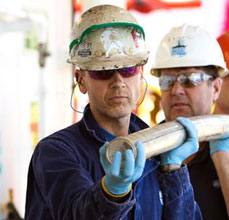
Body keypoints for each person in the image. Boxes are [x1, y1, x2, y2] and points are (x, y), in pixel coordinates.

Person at [25, 5, 202, 219]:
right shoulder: (56, 152)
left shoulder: (155, 151)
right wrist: (111, 193)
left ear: (140, 74)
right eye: (104, 72)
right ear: (81, 80)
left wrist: (173, 170)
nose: (118, 82)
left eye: (128, 70)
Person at [151, 24, 229, 219]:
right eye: (168, 81)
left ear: (216, 88)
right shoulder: (147, 151)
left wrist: (223, 156)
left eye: (190, 79)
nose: (177, 90)